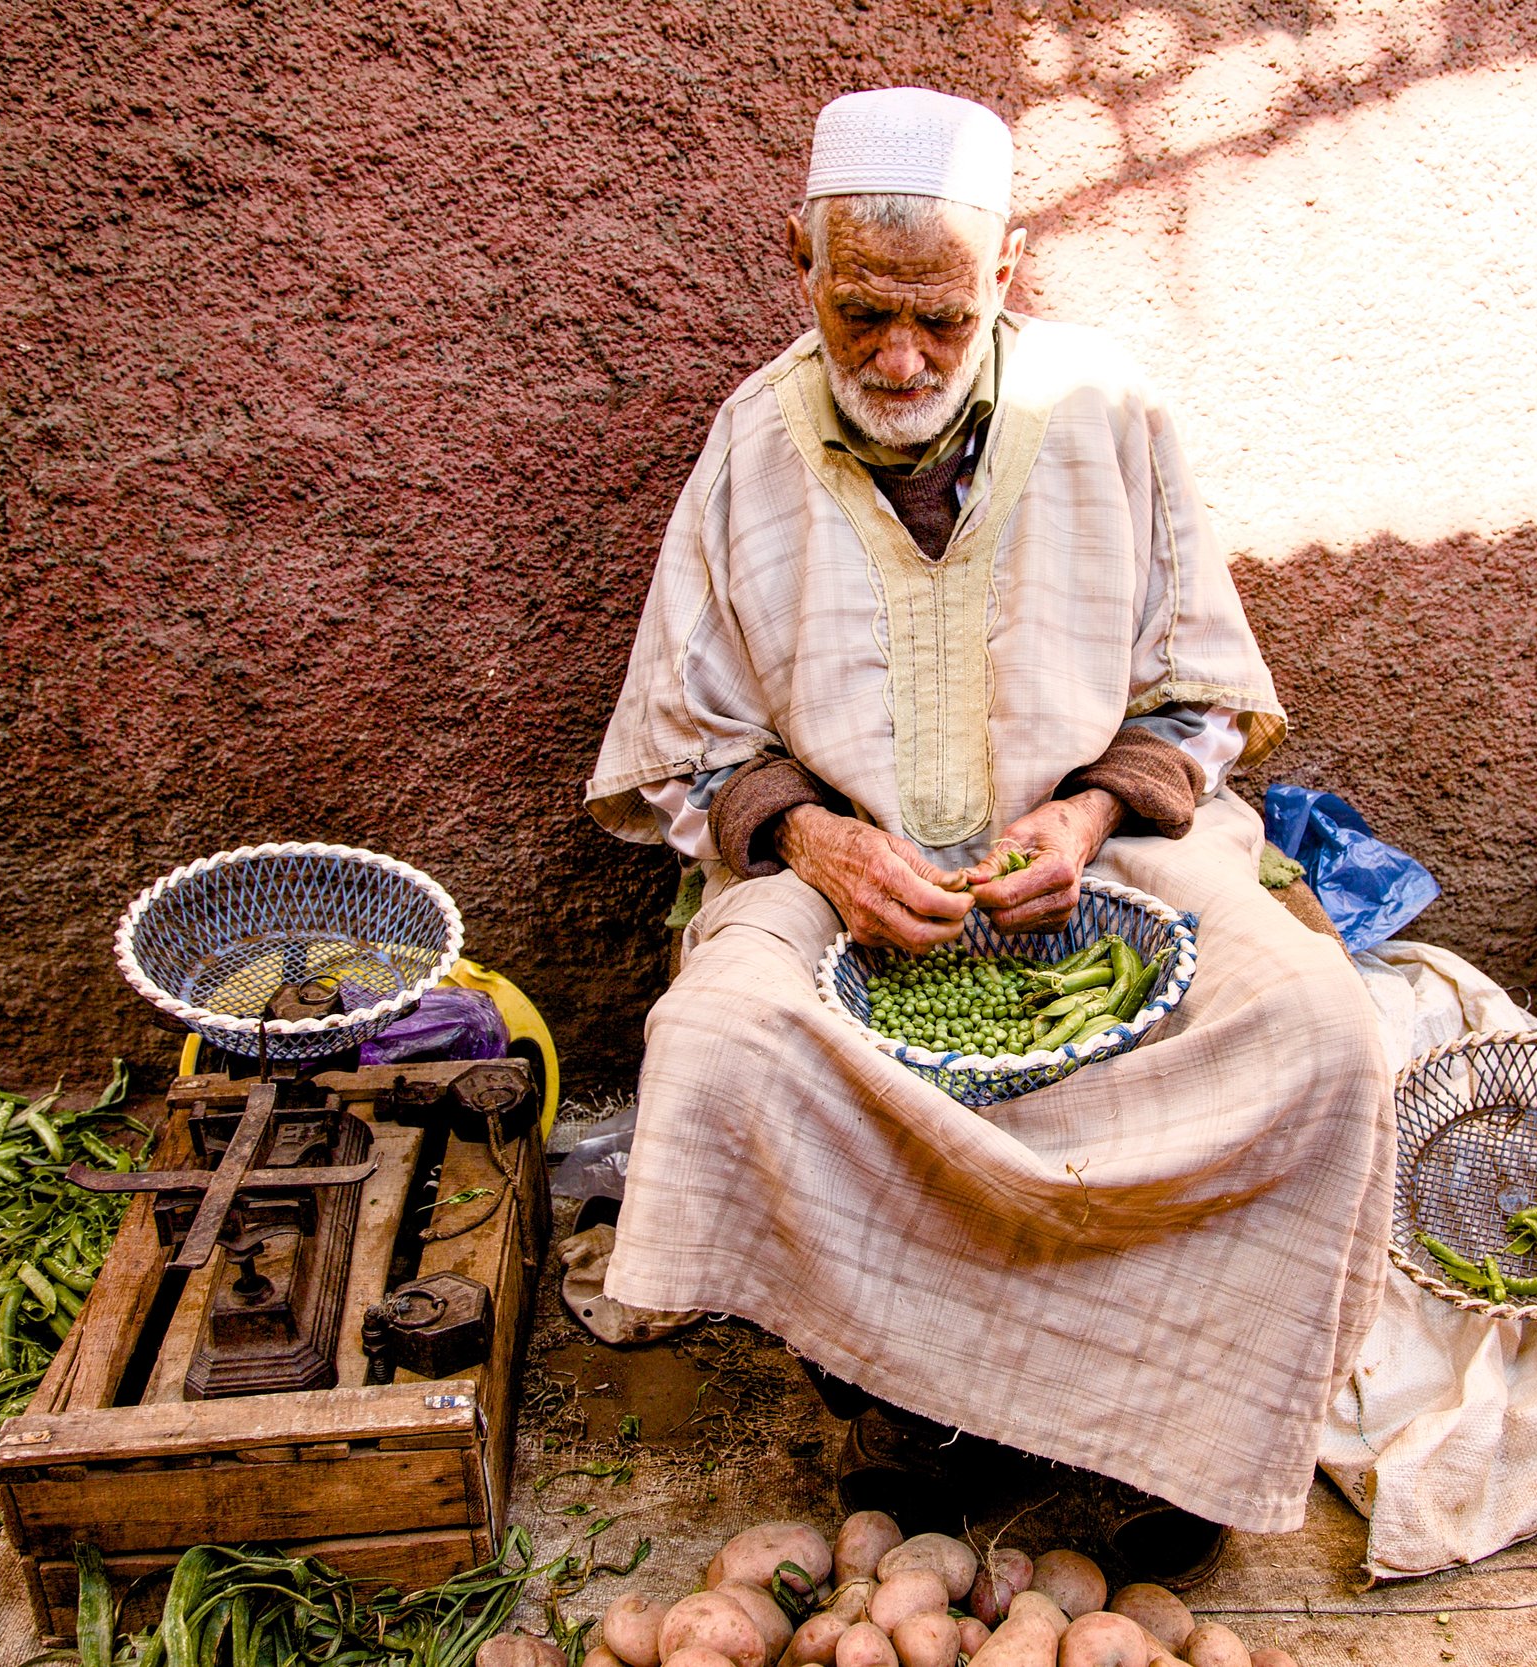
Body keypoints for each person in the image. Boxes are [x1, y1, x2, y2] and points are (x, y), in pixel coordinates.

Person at [587, 87, 1394, 1585]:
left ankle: (1183, 1423)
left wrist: (1088, 816)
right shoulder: (750, 447)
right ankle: (910, 1421)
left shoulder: (1111, 416)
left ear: (1010, 269)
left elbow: (1205, 700)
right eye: (864, 314)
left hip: (1112, 863)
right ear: (800, 264)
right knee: (721, 1044)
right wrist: (817, 843)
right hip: (837, 884)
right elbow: (684, 747)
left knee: (1322, 1036)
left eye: (943, 322)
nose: (900, 359)